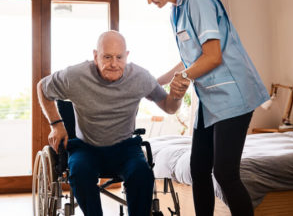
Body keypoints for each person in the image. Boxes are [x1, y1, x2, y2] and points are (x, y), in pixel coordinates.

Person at [135, 0, 270, 216]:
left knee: (225, 173)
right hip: (210, 100)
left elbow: (213, 56)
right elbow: (190, 59)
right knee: (198, 168)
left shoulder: (198, 0)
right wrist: (156, 81)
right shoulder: (176, 11)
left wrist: (182, 78)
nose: (150, 1)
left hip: (233, 95)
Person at [37, 30, 188, 216]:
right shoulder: (75, 76)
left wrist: (177, 96)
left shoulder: (140, 77)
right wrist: (56, 124)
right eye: (107, 57)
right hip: (86, 147)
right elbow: (42, 88)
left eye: (119, 57)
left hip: (125, 148)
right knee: (79, 173)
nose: (113, 64)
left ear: (127, 56)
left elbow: (169, 107)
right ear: (95, 56)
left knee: (142, 174)